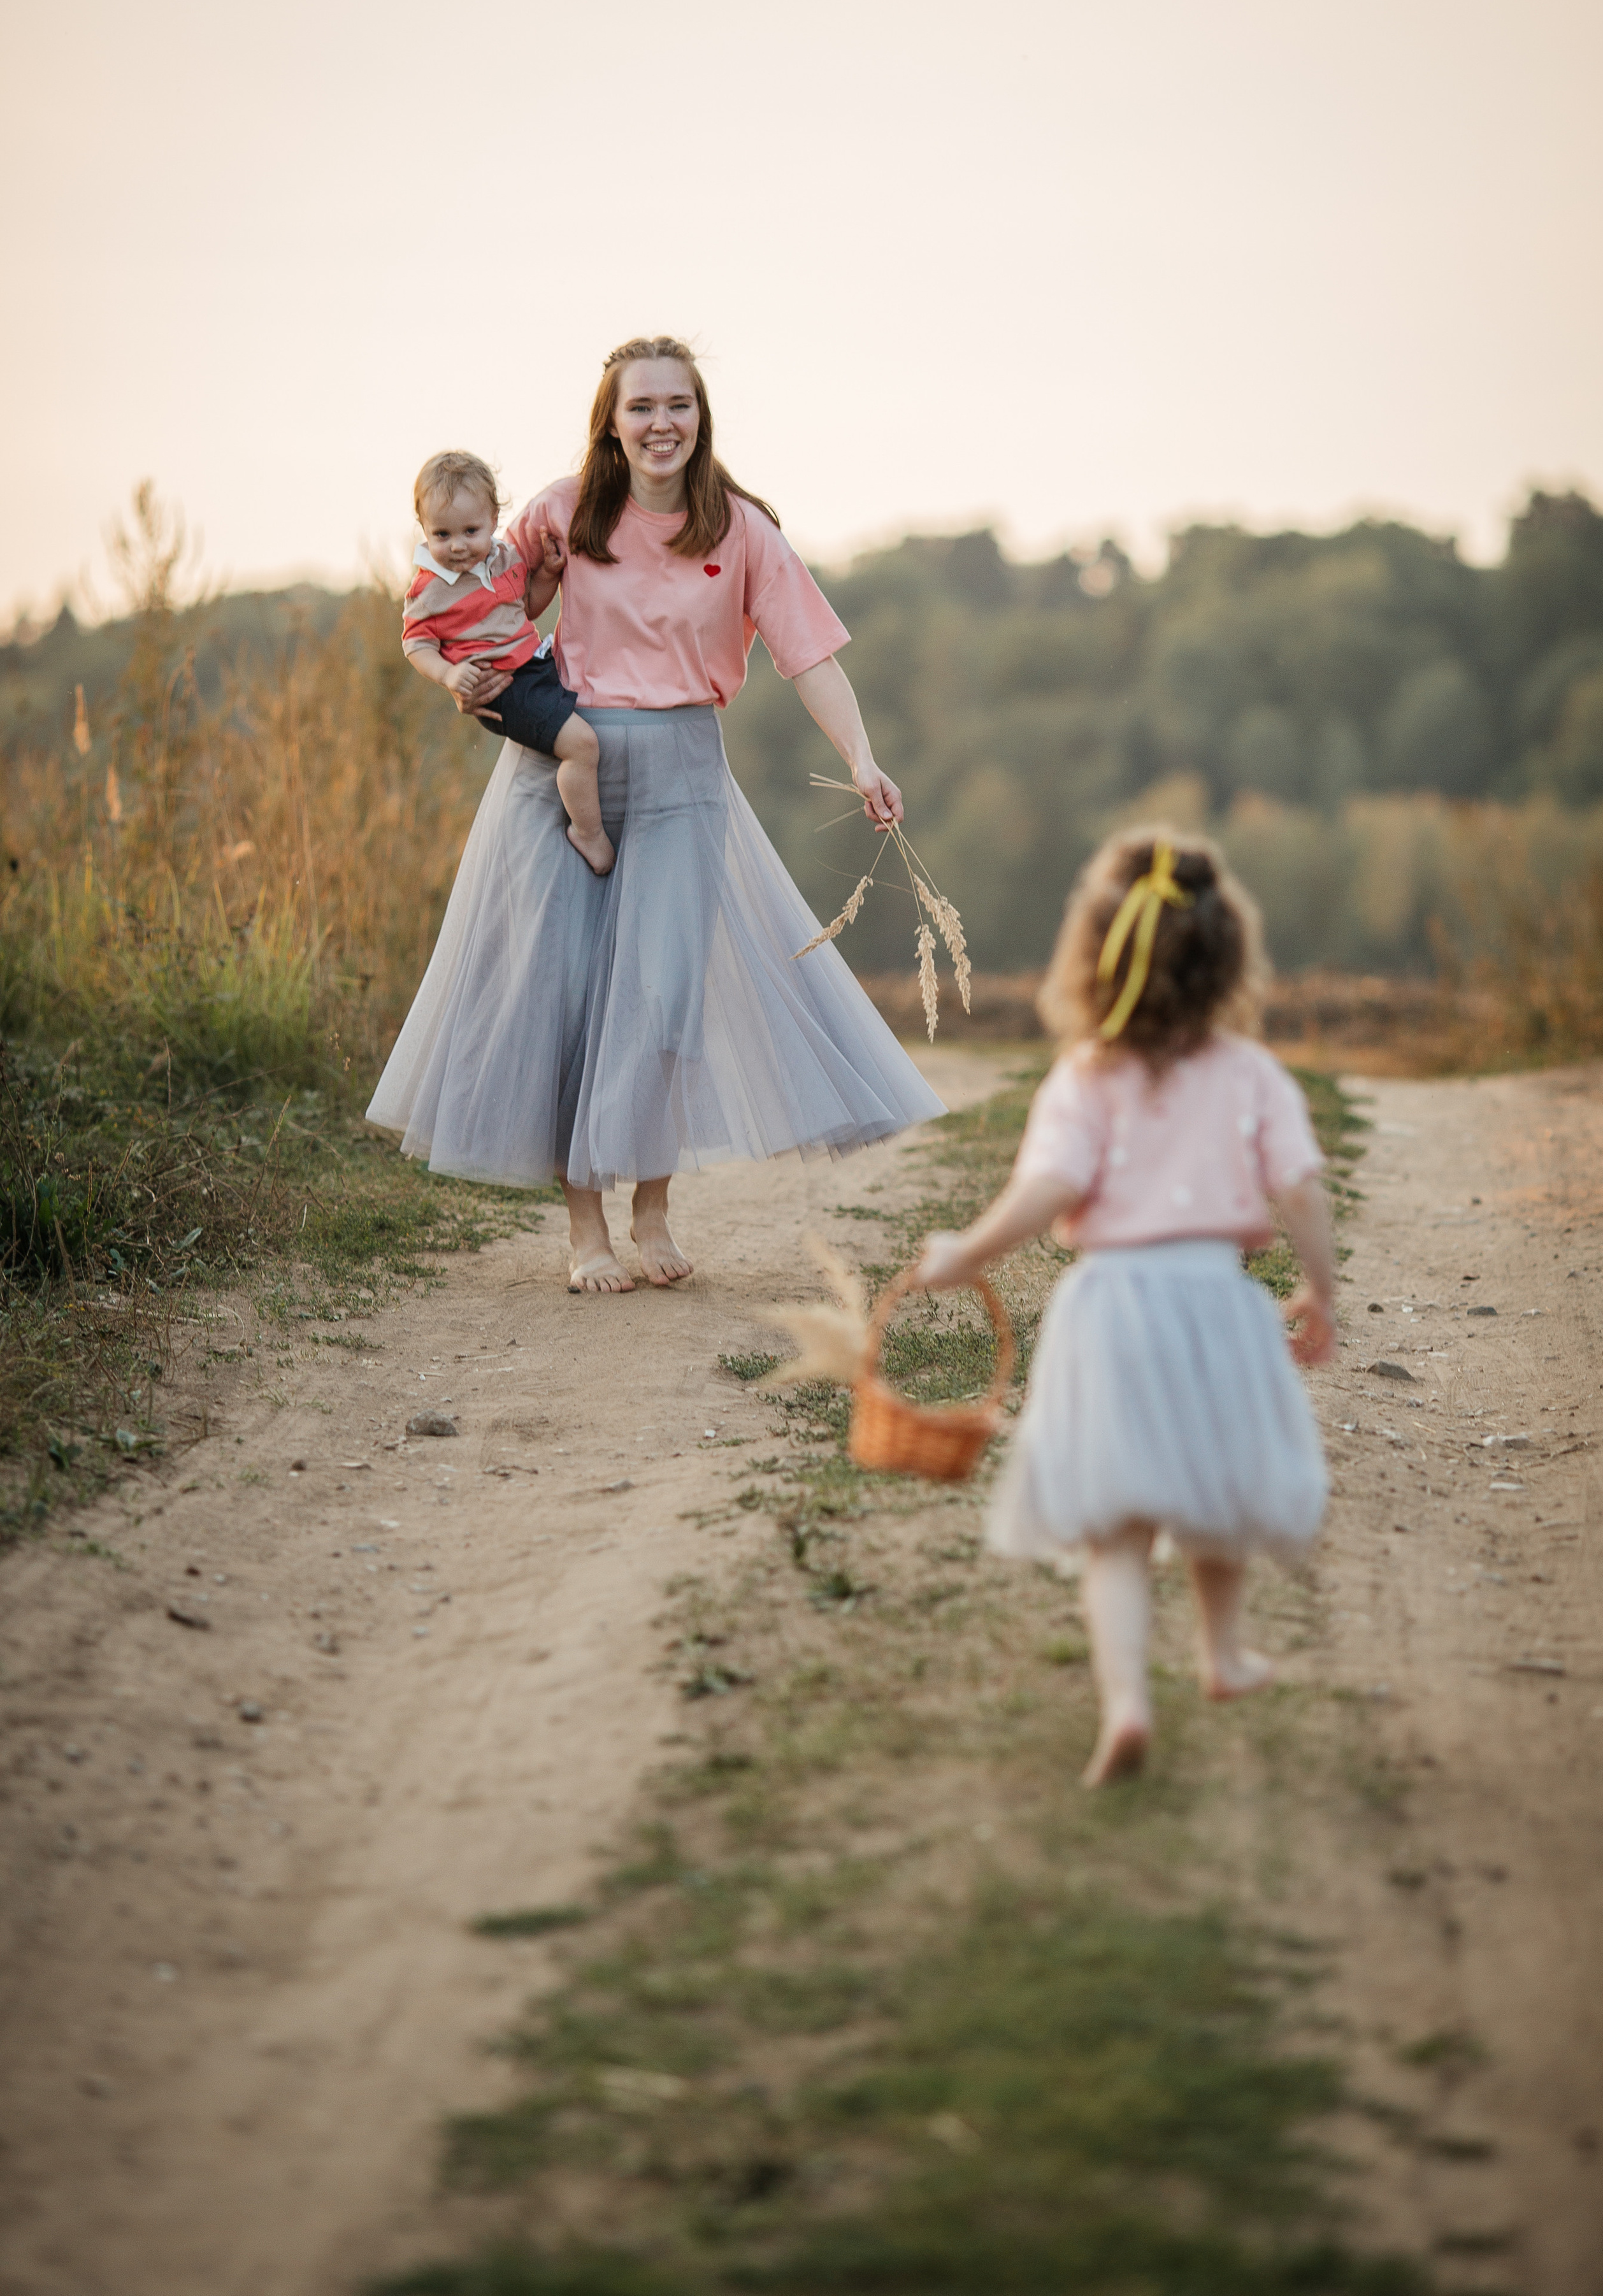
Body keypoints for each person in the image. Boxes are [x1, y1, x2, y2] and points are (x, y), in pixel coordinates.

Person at [368, 338, 943, 1292]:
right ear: (612, 421)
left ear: (701, 416)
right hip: (561, 770)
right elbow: (487, 603)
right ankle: (585, 1230)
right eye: (641, 407)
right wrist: (461, 676)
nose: (660, 423)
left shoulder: (742, 530)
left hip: (683, 774)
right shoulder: (564, 509)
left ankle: (652, 1210)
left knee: (665, 998)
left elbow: (809, 656)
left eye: (678, 404)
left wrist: (862, 759)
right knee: (565, 997)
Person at [911, 828, 1335, 1787]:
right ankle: (1222, 1656)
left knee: (1117, 1530)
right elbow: (1302, 1189)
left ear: (1091, 960)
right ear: (1227, 960)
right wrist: (1321, 1290)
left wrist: (966, 1253)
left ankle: (1128, 1705)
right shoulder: (1251, 1075)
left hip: (1109, 1311)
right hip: (1216, 1304)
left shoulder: (1085, 1077)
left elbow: (1050, 1189)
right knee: (1216, 1500)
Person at [402, 450, 613, 873]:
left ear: (494, 519)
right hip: (501, 686)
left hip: (531, 667)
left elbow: (526, 609)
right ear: (423, 528)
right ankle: (587, 833)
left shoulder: (505, 560)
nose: (458, 546)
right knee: (582, 746)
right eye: (442, 534)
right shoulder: (429, 589)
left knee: (586, 727)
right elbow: (416, 644)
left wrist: (548, 575)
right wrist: (449, 674)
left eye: (470, 531)